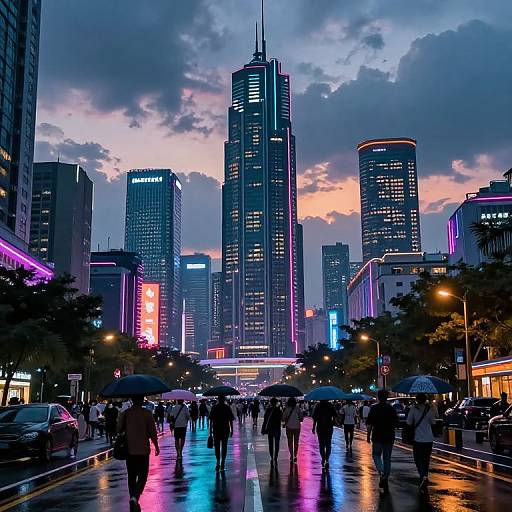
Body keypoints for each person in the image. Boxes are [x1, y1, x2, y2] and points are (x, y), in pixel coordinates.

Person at [117, 395, 159, 512]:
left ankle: (132, 497)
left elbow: (119, 429)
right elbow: (152, 432)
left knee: (131, 476)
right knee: (143, 476)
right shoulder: (147, 414)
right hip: (143, 450)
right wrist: (156, 445)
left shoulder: (126, 413)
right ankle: (135, 497)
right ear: (142, 401)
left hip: (129, 449)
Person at [366, 389, 399, 495]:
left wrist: (368, 435)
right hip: (389, 436)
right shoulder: (391, 408)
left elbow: (369, 423)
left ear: (378, 397)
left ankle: (381, 472)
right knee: (387, 458)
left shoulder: (374, 408)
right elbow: (396, 422)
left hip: (377, 435)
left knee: (376, 455)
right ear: (387, 397)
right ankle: (386, 476)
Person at [406, 393, 436, 494]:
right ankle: (425, 476)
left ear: (417, 400)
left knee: (418, 459)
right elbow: (433, 422)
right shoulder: (430, 409)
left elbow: (409, 422)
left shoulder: (413, 409)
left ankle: (422, 476)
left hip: (418, 439)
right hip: (429, 439)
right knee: (426, 459)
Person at [209, 396, 234, 471]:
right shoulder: (227, 407)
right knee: (224, 446)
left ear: (218, 400)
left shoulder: (214, 407)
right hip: (225, 429)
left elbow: (211, 420)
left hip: (216, 429)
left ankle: (217, 462)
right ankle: (223, 461)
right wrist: (231, 429)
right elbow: (230, 420)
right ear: (224, 400)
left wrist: (210, 431)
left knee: (217, 446)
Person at [312, 400, 337, 468]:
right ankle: (327, 459)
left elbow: (315, 418)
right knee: (328, 444)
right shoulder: (330, 405)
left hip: (320, 427)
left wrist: (313, 427)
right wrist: (333, 421)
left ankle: (323, 458)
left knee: (321, 444)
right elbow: (335, 415)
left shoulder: (318, 406)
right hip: (329, 426)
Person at [282, 397, 303, 463]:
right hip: (297, 427)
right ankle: (295, 455)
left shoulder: (287, 409)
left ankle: (291, 454)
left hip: (289, 427)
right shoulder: (298, 409)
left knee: (290, 441)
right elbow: (301, 418)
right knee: (296, 441)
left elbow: (283, 418)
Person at [262, 398, 283, 466]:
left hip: (270, 429)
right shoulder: (278, 410)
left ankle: (272, 457)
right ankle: (275, 457)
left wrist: (263, 428)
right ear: (276, 402)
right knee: (277, 444)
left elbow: (265, 420)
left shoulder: (268, 410)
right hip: (277, 428)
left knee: (270, 444)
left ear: (270, 402)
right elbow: (281, 418)